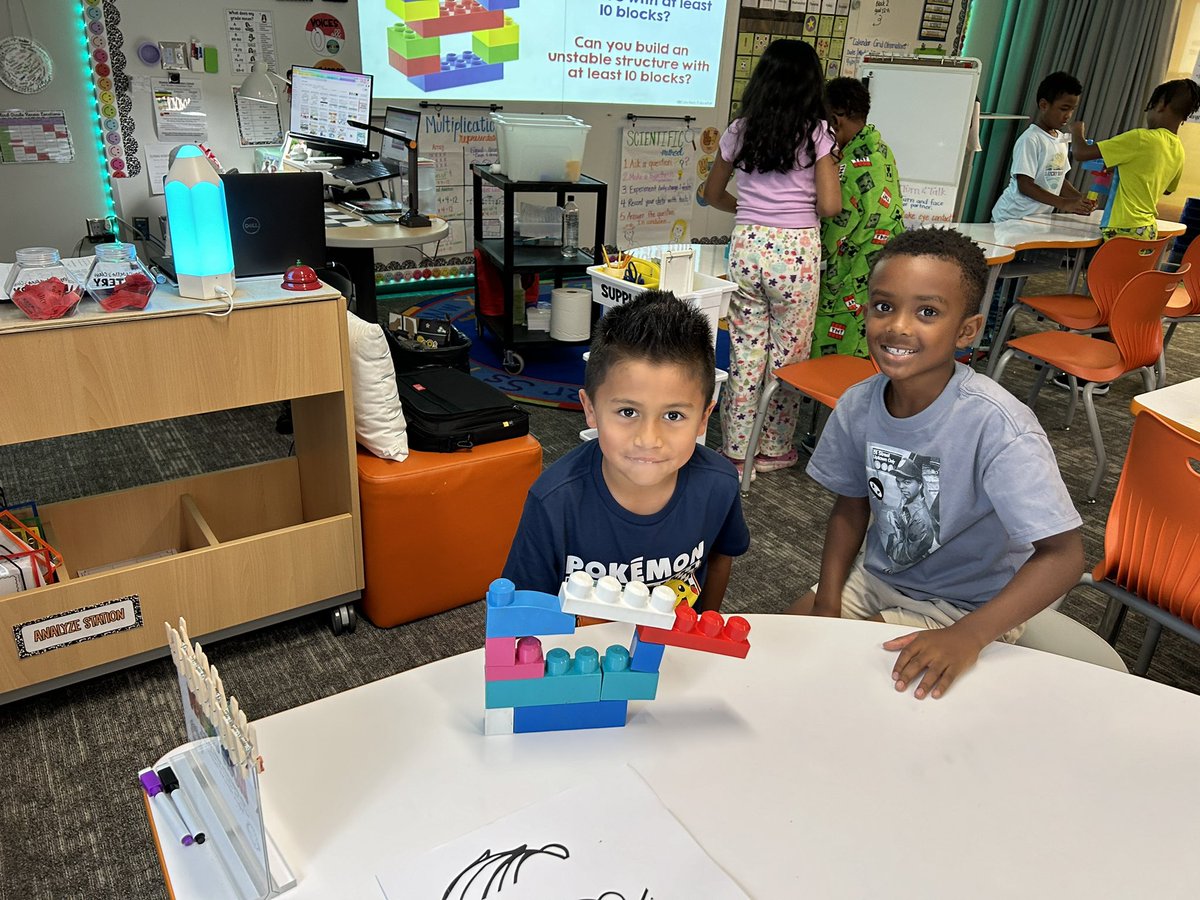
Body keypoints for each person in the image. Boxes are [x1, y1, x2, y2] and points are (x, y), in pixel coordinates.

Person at [789, 228, 1084, 700]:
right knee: (789, 637)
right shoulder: (858, 405)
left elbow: (1065, 556)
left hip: (967, 606)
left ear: (966, 330)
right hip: (879, 576)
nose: (899, 326)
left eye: (927, 312)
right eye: (884, 306)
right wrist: (827, 604)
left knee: (849, 681)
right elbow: (849, 509)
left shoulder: (998, 426)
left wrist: (969, 634)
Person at [502, 291, 750, 613]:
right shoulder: (553, 503)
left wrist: (703, 631)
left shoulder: (720, 483)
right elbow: (524, 610)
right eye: (628, 412)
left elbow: (720, 556)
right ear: (590, 410)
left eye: (673, 415)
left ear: (704, 418)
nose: (648, 439)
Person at [703, 39, 841, 480]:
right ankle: (773, 448)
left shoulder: (740, 129)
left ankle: (736, 450)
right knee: (787, 357)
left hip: (747, 245)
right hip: (796, 252)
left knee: (745, 351)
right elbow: (831, 205)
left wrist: (748, 211)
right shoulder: (818, 134)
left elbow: (711, 194)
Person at [812, 76, 906, 360]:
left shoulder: (848, 170)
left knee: (837, 351)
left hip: (855, 276)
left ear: (835, 120)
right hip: (888, 267)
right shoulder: (880, 149)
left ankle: (830, 399)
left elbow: (830, 237)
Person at [1070, 78, 1200, 240]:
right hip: (1147, 230)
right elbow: (1167, 189)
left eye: (1149, 107)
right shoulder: (1178, 149)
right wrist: (1125, 169)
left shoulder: (1140, 137)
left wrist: (1076, 131)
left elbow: (1081, 152)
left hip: (1122, 227)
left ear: (1160, 105)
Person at [992, 71, 1095, 222]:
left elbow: (1058, 179)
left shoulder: (1060, 139)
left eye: (1072, 109)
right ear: (1044, 105)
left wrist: (1079, 199)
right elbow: (1025, 185)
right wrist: (1064, 203)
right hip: (1010, 218)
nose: (1068, 115)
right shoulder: (1031, 139)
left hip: (1035, 220)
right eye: (1064, 108)